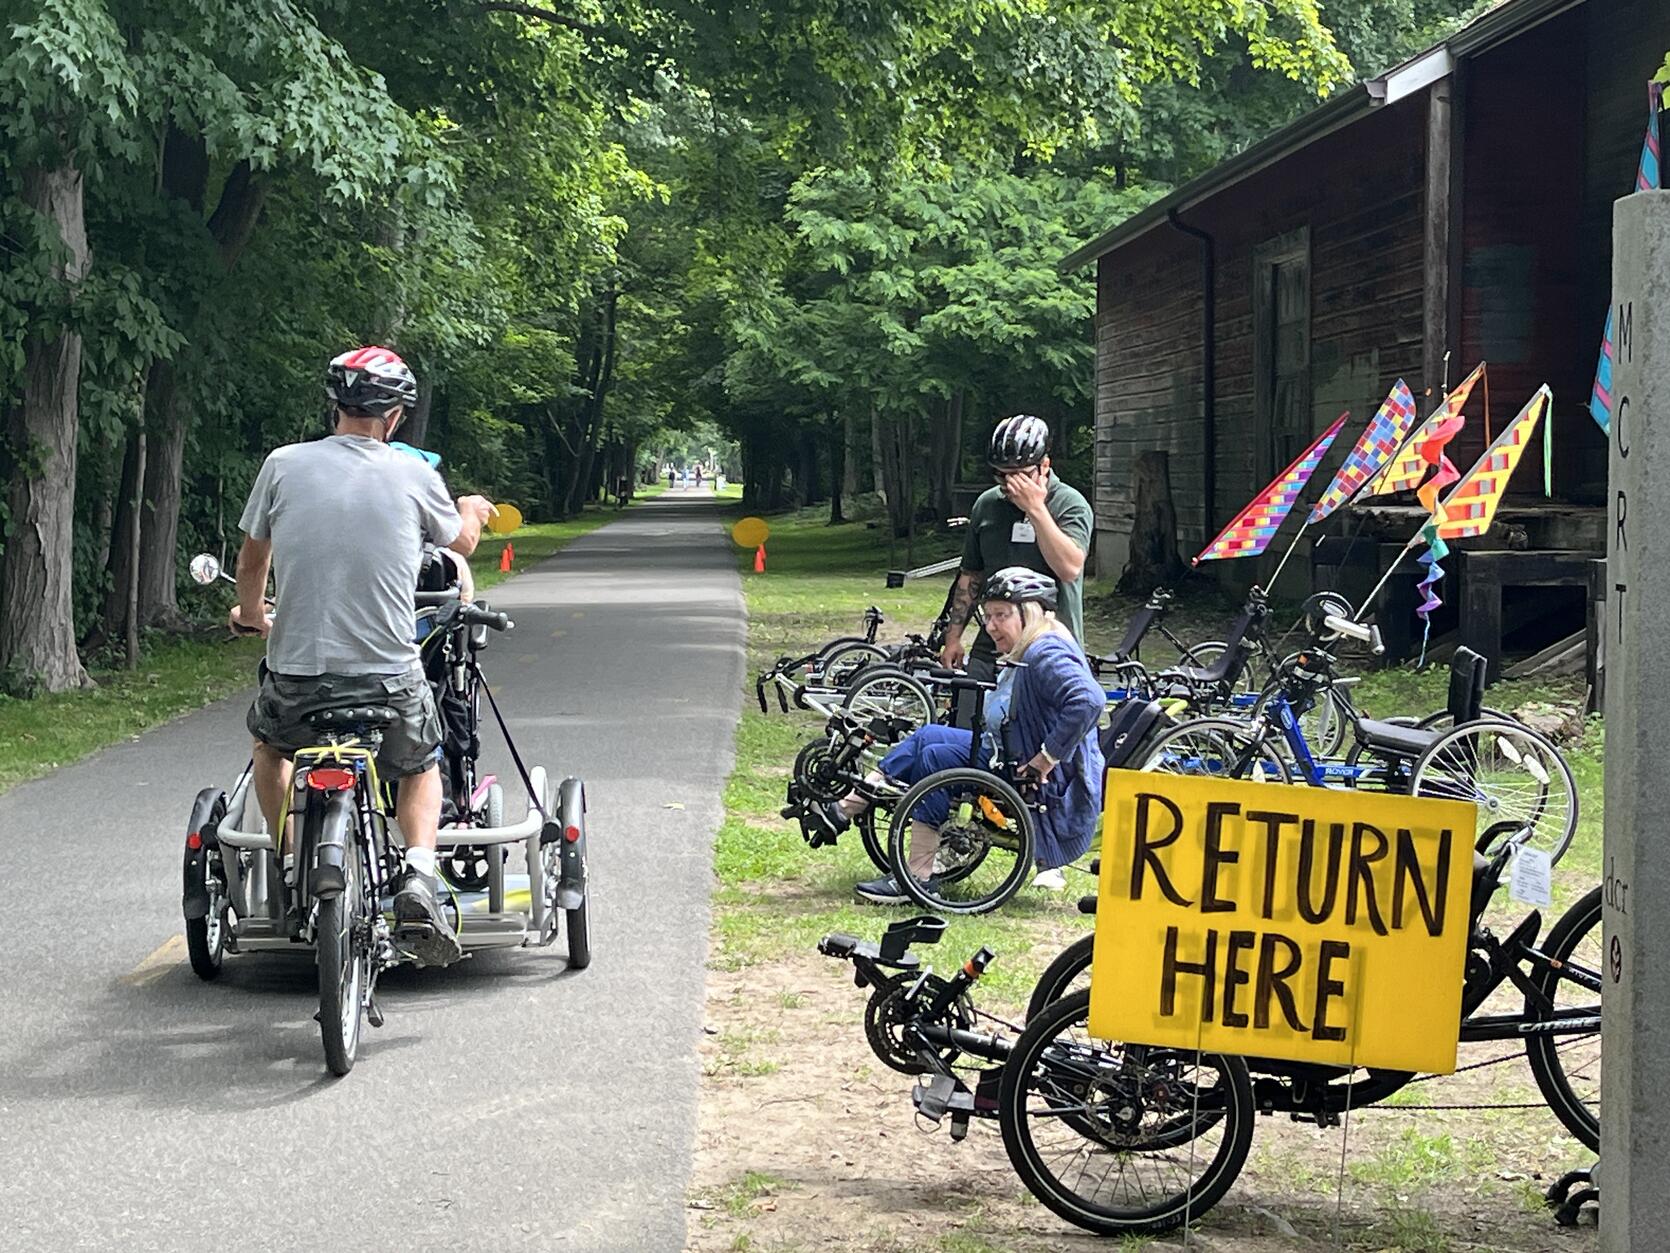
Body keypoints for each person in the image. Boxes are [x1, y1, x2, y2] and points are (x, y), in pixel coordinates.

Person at [231, 345, 494, 966]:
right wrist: (468, 509)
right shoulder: (414, 476)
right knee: (420, 762)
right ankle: (420, 879)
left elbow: (252, 561)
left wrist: (251, 614)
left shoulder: (283, 465)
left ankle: (293, 859)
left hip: (297, 677)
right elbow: (460, 546)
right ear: (396, 417)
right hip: (388, 679)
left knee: (270, 745)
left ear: (335, 406)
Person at [809, 568, 1106, 903]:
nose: (991, 626)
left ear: (1030, 613)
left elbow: (1089, 700)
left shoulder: (1046, 652)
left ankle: (917, 878)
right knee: (928, 736)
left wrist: (1046, 758)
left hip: (1030, 771)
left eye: (1001, 615)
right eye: (987, 616)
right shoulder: (1035, 646)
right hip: (1006, 750)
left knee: (936, 758)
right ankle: (847, 806)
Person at [941, 416, 1093, 728]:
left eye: (1022, 476)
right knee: (967, 733)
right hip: (990, 647)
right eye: (1003, 477)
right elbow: (971, 576)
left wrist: (1036, 510)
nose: (1012, 486)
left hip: (1046, 650)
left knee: (1027, 744)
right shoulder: (988, 505)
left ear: (1045, 465)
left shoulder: (1070, 504)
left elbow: (1069, 568)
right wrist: (953, 637)